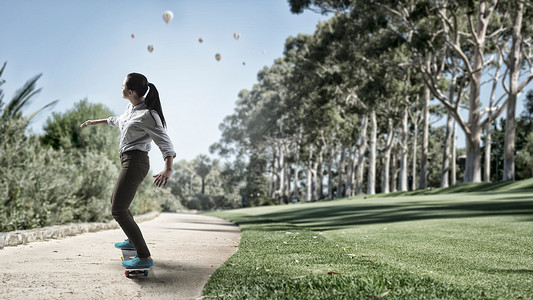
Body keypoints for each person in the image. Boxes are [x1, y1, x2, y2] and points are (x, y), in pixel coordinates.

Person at [80, 73, 176, 269]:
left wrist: (168, 169)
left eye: (123, 85)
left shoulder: (149, 115)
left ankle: (144, 257)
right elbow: (117, 120)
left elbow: (165, 142)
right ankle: (132, 241)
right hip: (128, 161)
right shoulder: (131, 108)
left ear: (130, 91)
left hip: (136, 162)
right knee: (116, 203)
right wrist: (94, 122)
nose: (121, 88)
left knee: (118, 209)